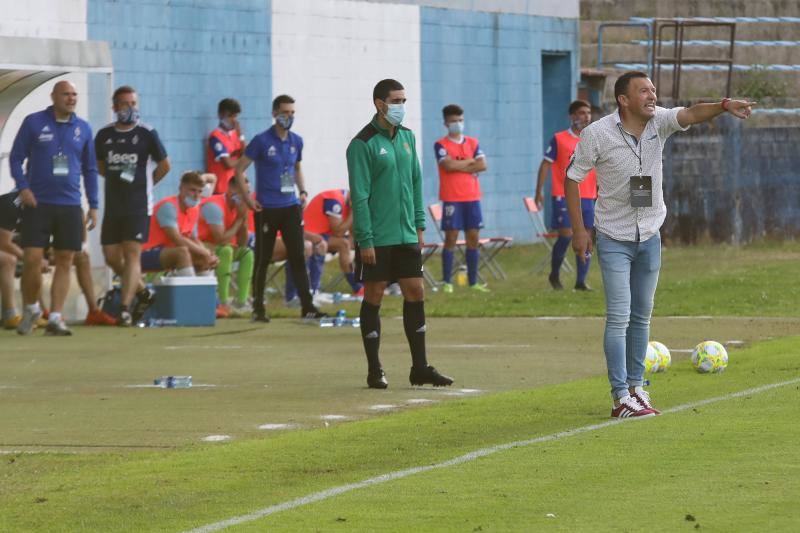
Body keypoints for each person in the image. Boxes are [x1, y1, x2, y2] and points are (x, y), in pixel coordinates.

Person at [566, 71, 754, 418]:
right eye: (643, 91)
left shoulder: (659, 123)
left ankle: (638, 389)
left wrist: (725, 105)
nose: (652, 96)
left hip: (650, 235)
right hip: (613, 238)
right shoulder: (597, 134)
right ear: (623, 100)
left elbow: (693, 113)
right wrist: (578, 230)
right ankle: (620, 396)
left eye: (653, 90)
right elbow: (572, 177)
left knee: (641, 317)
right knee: (619, 317)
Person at [346, 78, 453, 389]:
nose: (401, 107)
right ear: (380, 104)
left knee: (416, 292)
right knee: (375, 295)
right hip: (377, 238)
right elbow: (360, 195)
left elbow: (415, 182)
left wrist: (419, 224)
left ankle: (420, 368)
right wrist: (365, 239)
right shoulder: (362, 144)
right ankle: (374, 369)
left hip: (406, 234)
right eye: (396, 101)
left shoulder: (408, 138)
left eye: (404, 101)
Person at [10, 80, 99, 336]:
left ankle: (56, 317)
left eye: (74, 94)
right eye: (65, 94)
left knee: (65, 259)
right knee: (32, 260)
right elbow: (16, 158)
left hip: (70, 205)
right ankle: (31, 308)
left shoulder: (83, 128)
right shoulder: (34, 122)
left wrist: (93, 205)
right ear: (53, 97)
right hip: (38, 203)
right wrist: (23, 187)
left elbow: (90, 169)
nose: (71, 98)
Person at [233, 94, 326, 322]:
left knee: (298, 255)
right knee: (263, 258)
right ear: (275, 113)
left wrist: (302, 191)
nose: (289, 116)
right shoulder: (261, 141)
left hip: (290, 207)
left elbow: (296, 168)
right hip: (267, 209)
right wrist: (247, 198)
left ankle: (308, 307)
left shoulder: (296, 141)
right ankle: (258, 308)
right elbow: (239, 169)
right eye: (285, 112)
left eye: (292, 113)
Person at [95, 85, 171, 326]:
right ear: (115, 107)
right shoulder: (104, 135)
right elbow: (100, 165)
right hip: (113, 205)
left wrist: (147, 184)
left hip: (138, 205)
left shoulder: (147, 133)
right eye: (125, 104)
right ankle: (143, 293)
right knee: (111, 256)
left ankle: (125, 309)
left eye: (133, 103)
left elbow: (164, 165)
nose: (130, 108)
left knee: (132, 255)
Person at [536, 100, 597, 291]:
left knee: (587, 237)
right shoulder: (559, 138)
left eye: (587, 113)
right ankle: (555, 274)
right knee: (566, 235)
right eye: (580, 113)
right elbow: (546, 164)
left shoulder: (595, 139)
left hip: (588, 195)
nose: (585, 116)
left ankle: (580, 281)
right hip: (563, 195)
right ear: (572, 116)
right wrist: (538, 191)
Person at [434, 104, 488, 293]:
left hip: (472, 197)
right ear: (446, 123)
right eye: (454, 121)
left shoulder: (472, 142)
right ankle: (447, 282)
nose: (458, 124)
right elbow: (447, 166)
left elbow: (482, 165)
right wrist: (470, 162)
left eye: (460, 120)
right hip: (452, 197)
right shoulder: (441, 144)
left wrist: (459, 164)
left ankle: (473, 282)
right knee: (451, 238)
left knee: (473, 237)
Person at [286, 188, 362, 298]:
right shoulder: (334, 200)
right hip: (307, 234)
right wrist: (353, 213)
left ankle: (370, 281)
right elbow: (338, 232)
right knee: (343, 244)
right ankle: (357, 287)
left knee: (362, 243)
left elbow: (353, 233)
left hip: (323, 235)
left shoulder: (348, 202)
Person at [140, 171, 218, 276]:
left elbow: (193, 238)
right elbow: (177, 239)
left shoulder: (193, 209)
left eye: (199, 192)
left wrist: (208, 255)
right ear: (181, 188)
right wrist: (205, 253)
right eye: (192, 190)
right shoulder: (168, 206)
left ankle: (204, 292)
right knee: (182, 253)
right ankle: (188, 291)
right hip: (143, 252)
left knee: (202, 258)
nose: (196, 196)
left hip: (167, 252)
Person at [197, 176, 254, 317]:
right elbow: (221, 240)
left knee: (247, 253)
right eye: (243, 192)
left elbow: (242, 243)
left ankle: (241, 301)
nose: (246, 197)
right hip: (200, 246)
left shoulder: (238, 209)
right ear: (231, 189)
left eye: (248, 193)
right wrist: (239, 220)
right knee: (226, 250)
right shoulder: (214, 206)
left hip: (218, 247)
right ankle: (223, 302)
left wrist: (243, 219)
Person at [207, 98, 245, 195]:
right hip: (222, 190)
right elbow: (228, 164)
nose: (233, 120)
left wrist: (241, 135)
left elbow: (246, 154)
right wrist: (242, 159)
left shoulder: (235, 134)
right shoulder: (215, 137)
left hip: (238, 188)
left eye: (235, 116)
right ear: (220, 115)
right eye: (230, 116)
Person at [0, 191, 22, 329]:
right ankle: (10, 316)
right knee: (9, 260)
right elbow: (4, 242)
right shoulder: (10, 203)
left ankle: (36, 313)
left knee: (9, 260)